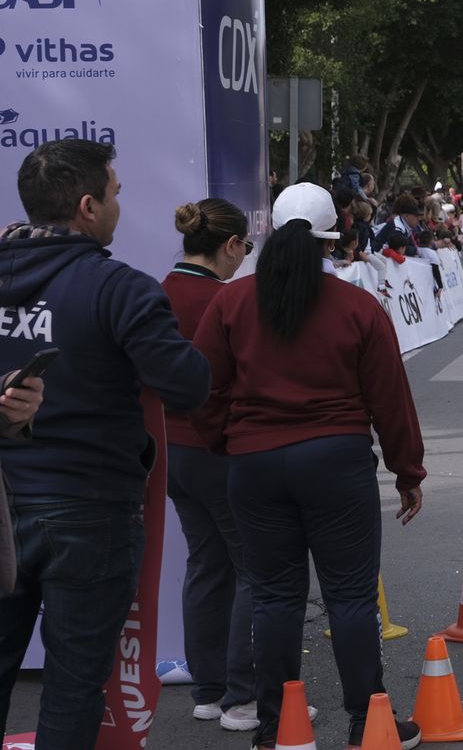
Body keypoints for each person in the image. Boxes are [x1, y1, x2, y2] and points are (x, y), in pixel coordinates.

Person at [191, 183, 426, 750]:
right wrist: (407, 472)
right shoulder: (357, 306)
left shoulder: (231, 301)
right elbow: (390, 398)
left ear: (269, 229)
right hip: (336, 463)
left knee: (273, 597)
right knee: (349, 598)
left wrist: (228, 441)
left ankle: (276, 727)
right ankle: (366, 722)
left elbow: (202, 387)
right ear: (333, 234)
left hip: (255, 464)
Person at [0, 139, 211, 746]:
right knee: (73, 686)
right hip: (89, 510)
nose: (121, 206)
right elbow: (188, 384)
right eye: (116, 195)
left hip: (6, 500)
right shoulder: (118, 287)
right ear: (88, 206)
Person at [162, 199, 272, 733]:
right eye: (245, 249)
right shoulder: (226, 301)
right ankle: (242, 696)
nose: (244, 259)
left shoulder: (156, 291)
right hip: (217, 449)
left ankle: (209, 690)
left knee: (207, 566)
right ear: (230, 245)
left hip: (168, 450)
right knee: (255, 568)